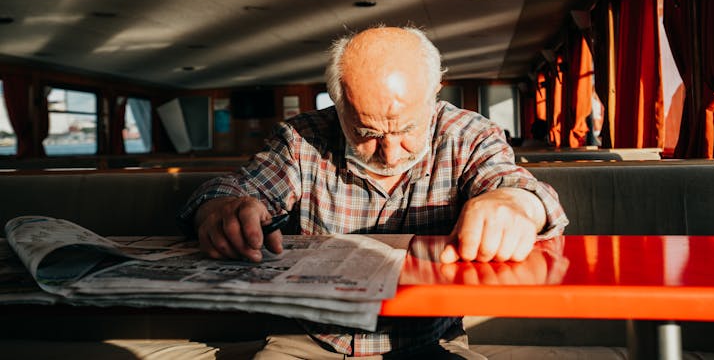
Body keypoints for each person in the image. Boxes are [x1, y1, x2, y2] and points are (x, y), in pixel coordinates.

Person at [178, 26, 568, 359]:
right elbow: (237, 189)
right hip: (310, 342)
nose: (389, 152)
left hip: (430, 340)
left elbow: (516, 185)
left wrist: (515, 203)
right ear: (339, 104)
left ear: (434, 93)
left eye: (406, 130)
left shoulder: (470, 134)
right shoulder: (302, 139)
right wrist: (221, 207)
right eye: (366, 133)